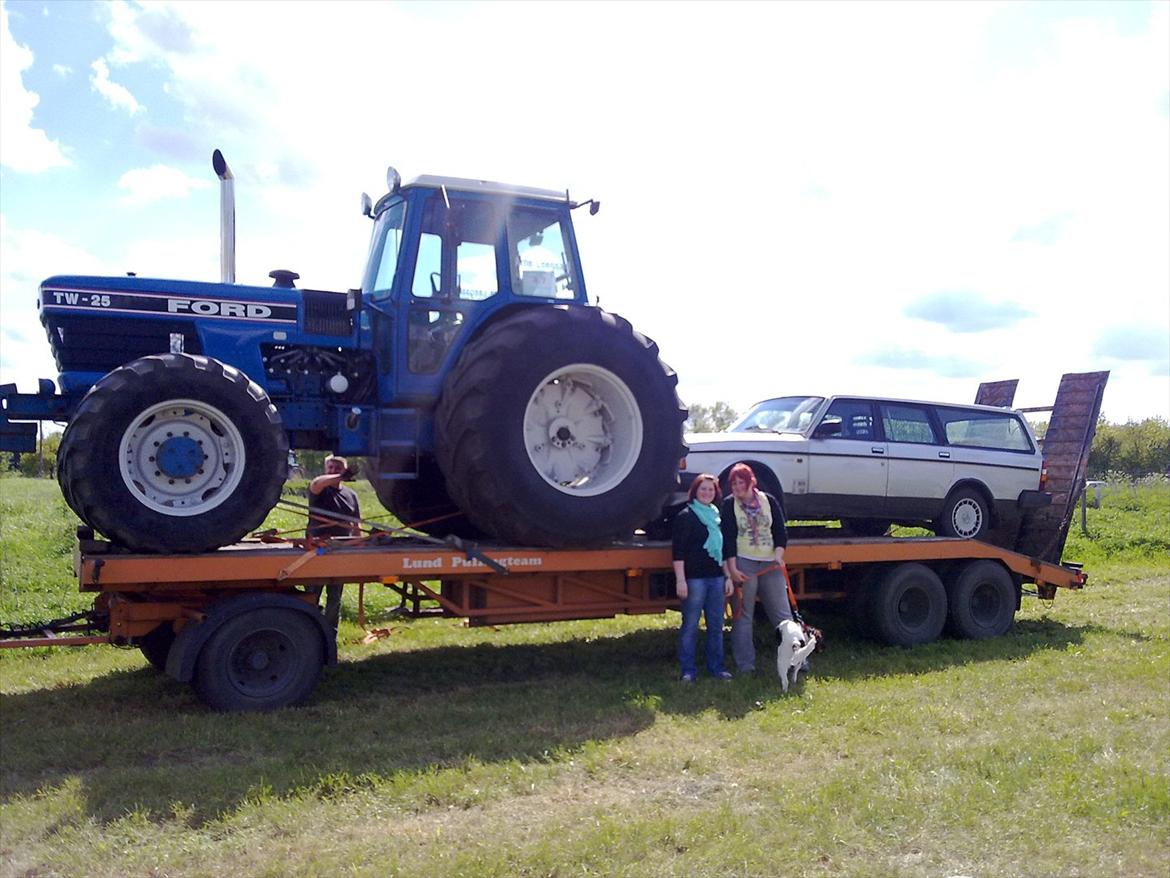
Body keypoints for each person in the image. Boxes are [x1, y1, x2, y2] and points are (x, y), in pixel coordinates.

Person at [721, 462, 793, 675]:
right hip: (744, 563)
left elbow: (780, 531)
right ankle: (746, 666)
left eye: (740, 483)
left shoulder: (768, 500)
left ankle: (795, 660)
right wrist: (732, 569)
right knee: (743, 615)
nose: (736, 487)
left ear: (750, 482)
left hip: (770, 563)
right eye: (733, 484)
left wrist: (779, 556)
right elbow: (728, 539)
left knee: (783, 615)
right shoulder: (729, 504)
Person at [672, 473, 734, 683]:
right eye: (703, 489)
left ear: (716, 492)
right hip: (694, 580)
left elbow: (723, 551)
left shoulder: (717, 516)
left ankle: (717, 668)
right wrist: (681, 580)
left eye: (711, 489)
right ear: (695, 492)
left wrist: (728, 577)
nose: (707, 493)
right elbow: (678, 552)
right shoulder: (686, 516)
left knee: (716, 626)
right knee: (690, 625)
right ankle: (688, 670)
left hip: (717, 578)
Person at [307, 455, 362, 633]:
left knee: (335, 597)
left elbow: (356, 524)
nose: (333, 470)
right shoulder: (319, 489)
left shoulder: (351, 495)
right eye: (330, 467)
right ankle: (311, 631)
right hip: (318, 552)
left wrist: (359, 546)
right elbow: (317, 482)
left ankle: (331, 634)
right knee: (312, 594)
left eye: (337, 468)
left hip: (340, 552)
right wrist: (340, 476)